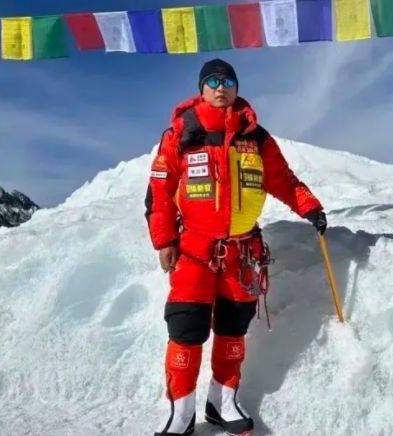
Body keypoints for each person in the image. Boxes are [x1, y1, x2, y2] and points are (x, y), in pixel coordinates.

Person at [145, 58, 327, 436]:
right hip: (193, 251)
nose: (221, 87)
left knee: (233, 329)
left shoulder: (256, 137)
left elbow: (283, 180)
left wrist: (310, 207)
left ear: (237, 87)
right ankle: (182, 413)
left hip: (242, 255)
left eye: (228, 81)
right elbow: (159, 192)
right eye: (212, 81)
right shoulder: (181, 132)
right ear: (201, 89)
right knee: (186, 327)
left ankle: (222, 401)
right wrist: (164, 240)